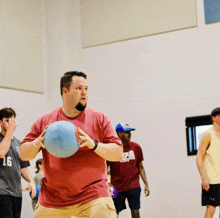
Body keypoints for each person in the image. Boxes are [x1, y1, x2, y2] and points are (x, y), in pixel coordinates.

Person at [20, 71, 123, 218]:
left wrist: (93, 144)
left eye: (86, 89)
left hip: (93, 195)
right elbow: (23, 154)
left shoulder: (99, 118)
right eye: (79, 88)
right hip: (53, 198)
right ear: (65, 91)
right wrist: (36, 143)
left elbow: (118, 153)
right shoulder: (45, 120)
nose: (84, 93)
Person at [108, 122, 150, 218]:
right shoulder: (112, 149)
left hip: (134, 186)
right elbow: (106, 169)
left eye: (130, 132)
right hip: (116, 188)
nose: (129, 134)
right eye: (126, 132)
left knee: (135, 212)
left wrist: (146, 184)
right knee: (114, 213)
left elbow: (140, 167)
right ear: (119, 134)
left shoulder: (136, 147)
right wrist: (108, 184)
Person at [0, 107, 36, 218]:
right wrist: (9, 133)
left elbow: (23, 167)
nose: (11, 124)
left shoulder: (18, 143)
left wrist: (31, 181)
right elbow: (1, 153)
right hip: (2, 192)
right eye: (7, 120)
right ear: (0, 122)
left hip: (16, 192)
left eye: (12, 120)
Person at [196, 107, 220, 218]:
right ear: (214, 118)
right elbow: (199, 157)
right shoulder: (207, 135)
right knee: (211, 209)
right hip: (212, 180)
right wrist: (203, 178)